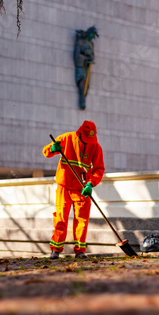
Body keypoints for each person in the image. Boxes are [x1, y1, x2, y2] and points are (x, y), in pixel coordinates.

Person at [43, 120, 105, 259]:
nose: (89, 142)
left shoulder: (96, 147)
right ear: (79, 133)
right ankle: (56, 250)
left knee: (82, 220)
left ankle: (80, 251)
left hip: (82, 188)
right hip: (64, 186)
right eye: (86, 139)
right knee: (60, 218)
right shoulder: (66, 138)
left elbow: (98, 169)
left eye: (91, 139)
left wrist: (91, 184)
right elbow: (45, 151)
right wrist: (53, 149)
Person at [74, 26, 99, 110]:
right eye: (92, 35)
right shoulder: (80, 42)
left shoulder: (90, 44)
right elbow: (77, 56)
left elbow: (92, 54)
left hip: (87, 66)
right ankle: (82, 101)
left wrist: (91, 57)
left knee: (87, 85)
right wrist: (85, 58)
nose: (93, 37)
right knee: (82, 81)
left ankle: (83, 99)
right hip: (81, 66)